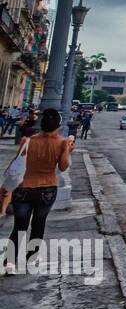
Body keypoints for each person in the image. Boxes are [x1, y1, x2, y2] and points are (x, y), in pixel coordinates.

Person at [3, 109, 74, 274]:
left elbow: (17, 164)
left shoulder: (28, 141)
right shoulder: (62, 142)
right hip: (47, 188)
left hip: (24, 188)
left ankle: (10, 264)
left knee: (19, 225)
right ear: (58, 126)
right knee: (38, 224)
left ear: (41, 125)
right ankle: (32, 259)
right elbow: (63, 167)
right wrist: (67, 149)